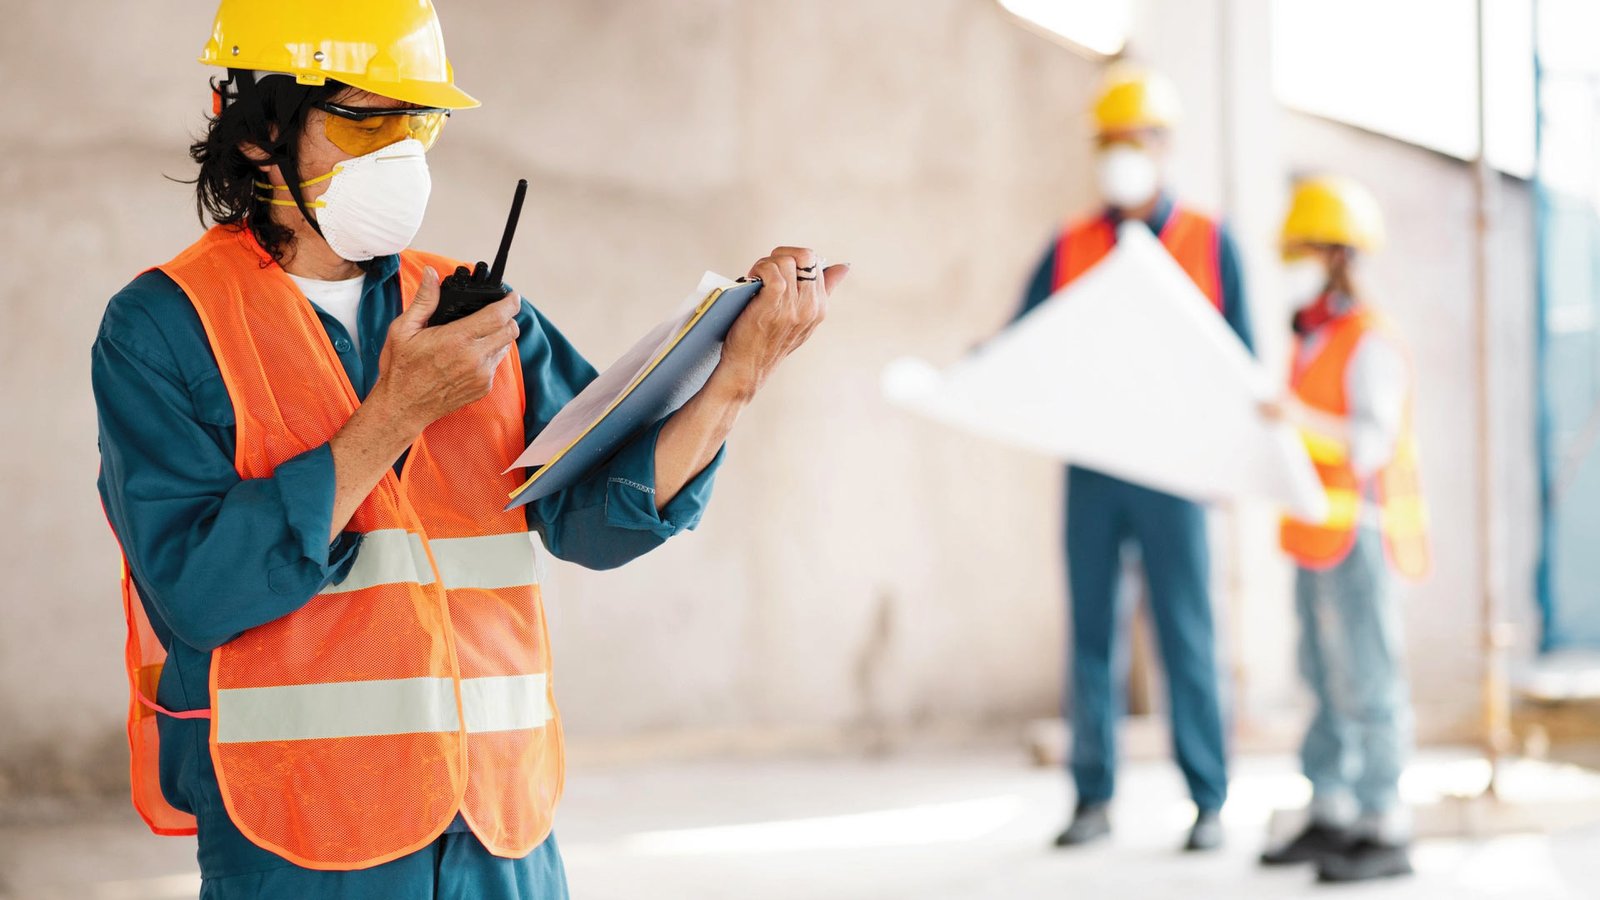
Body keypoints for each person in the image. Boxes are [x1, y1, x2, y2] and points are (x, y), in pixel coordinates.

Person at [93, 2, 847, 897]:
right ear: (258, 132)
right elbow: (201, 592)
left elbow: (598, 524)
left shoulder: (476, 312)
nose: (401, 155)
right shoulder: (165, 328)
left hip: (500, 829)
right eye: (366, 119)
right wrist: (395, 415)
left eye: (418, 124)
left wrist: (734, 379)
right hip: (305, 837)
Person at [1015, 66, 1254, 853]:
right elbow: (1026, 343)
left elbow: (1242, 365)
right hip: (1093, 465)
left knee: (1186, 632)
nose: (1121, 154)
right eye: (1109, 142)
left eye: (1134, 140)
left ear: (1163, 145)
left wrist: (1226, 464)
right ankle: (1092, 799)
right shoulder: (1072, 243)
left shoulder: (1210, 241)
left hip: (1176, 469)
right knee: (1091, 633)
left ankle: (1208, 801)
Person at [1258, 175, 1428, 884]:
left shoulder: (1369, 343)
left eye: (1307, 250)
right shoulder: (1313, 339)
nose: (1298, 263)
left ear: (1338, 257)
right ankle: (1330, 809)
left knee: (1367, 679)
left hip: (1357, 532)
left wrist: (1295, 423)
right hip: (1313, 533)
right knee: (1322, 678)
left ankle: (1382, 820)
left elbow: (1370, 444)